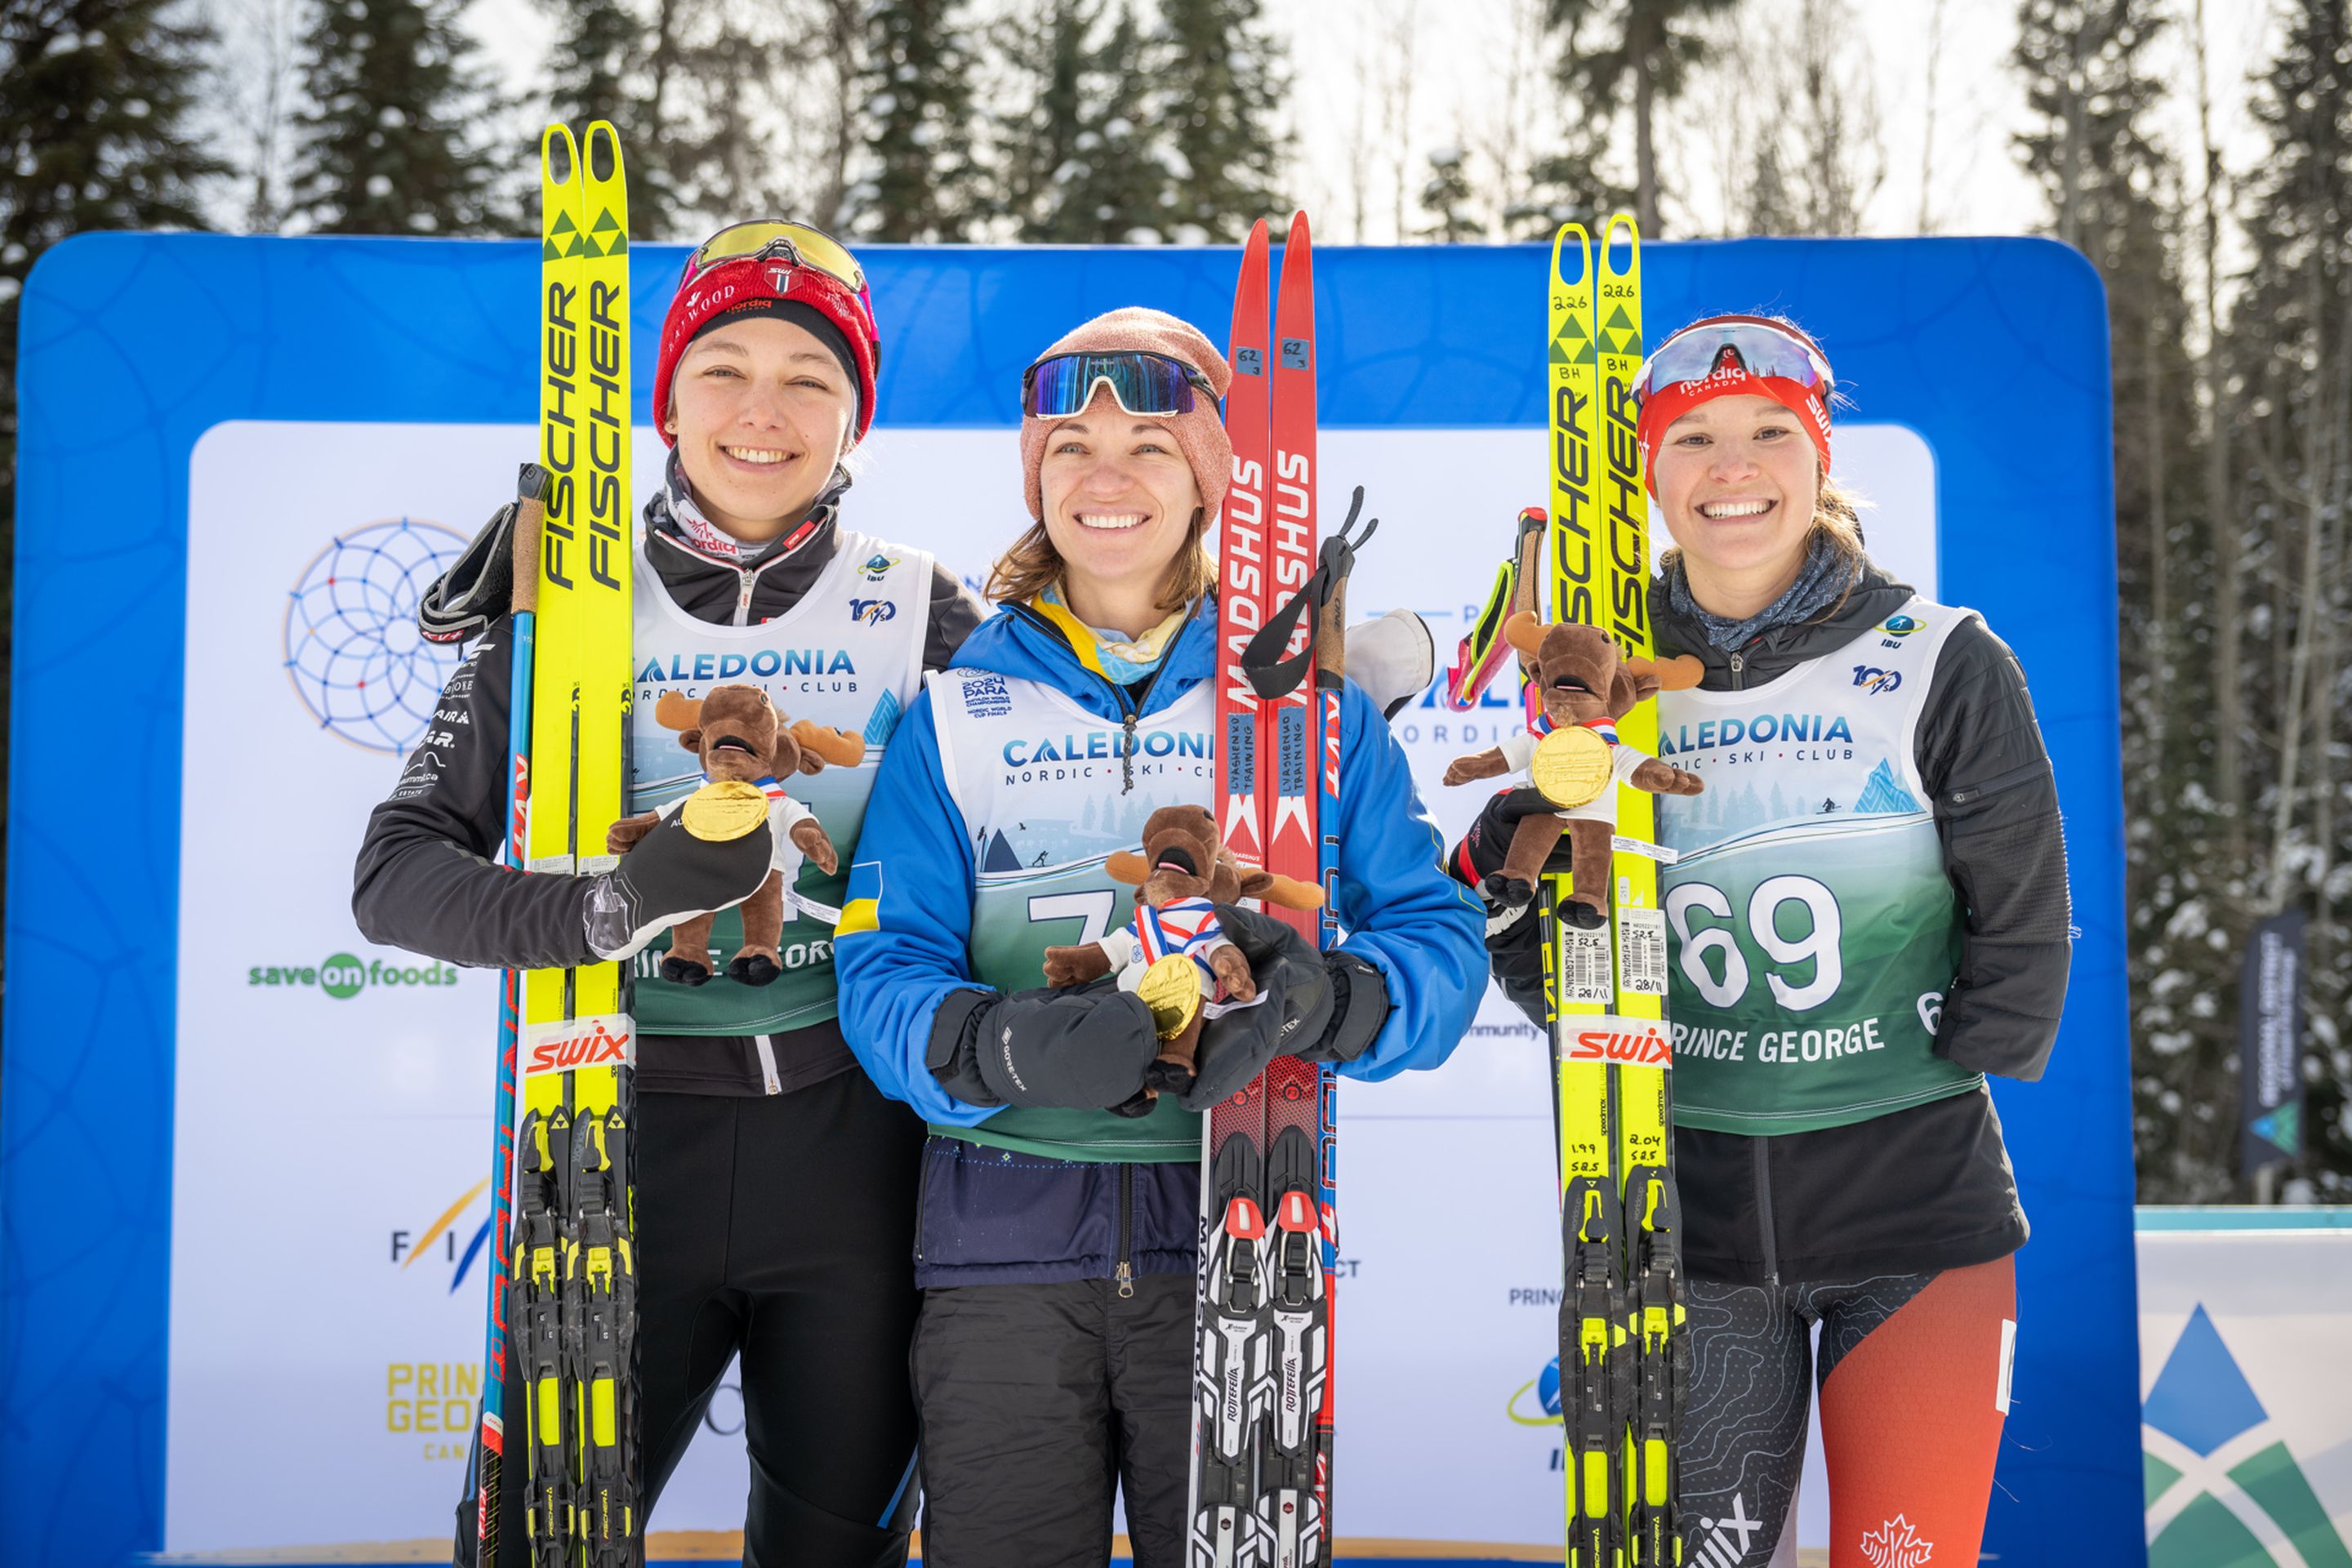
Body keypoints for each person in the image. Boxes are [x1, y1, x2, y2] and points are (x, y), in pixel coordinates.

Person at [352, 220, 985, 1568]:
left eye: (810, 375)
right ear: (668, 401)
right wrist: (603, 908)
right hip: (621, 1146)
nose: (765, 410)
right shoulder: (570, 603)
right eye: (725, 368)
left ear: (854, 412)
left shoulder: (923, 605)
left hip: (858, 1159)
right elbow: (393, 879)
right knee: (541, 1544)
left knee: (839, 1545)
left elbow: (1072, 801)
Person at [831, 307, 1486, 1568]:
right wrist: (1005, 1050)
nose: (1107, 474)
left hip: (1244, 1238)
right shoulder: (958, 710)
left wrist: (1324, 1002)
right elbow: (880, 969)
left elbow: (1440, 942)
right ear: (1036, 481)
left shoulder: (1310, 709)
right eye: (1071, 444)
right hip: (999, 1258)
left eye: (1151, 443)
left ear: (1210, 478)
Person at [1457, 314, 2070, 1568]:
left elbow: (2018, 888)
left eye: (1768, 434)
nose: (1732, 468)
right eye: (1692, 438)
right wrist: (1516, 911)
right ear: (1648, 474)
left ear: (1818, 454)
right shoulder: (1600, 679)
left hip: (1918, 1214)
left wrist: (1972, 1046)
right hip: (1688, 1220)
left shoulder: (1937, 656)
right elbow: (1579, 971)